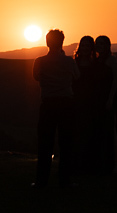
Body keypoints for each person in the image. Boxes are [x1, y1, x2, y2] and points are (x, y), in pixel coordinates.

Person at [33, 29, 81, 188]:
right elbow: (77, 76)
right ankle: (65, 180)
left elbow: (36, 77)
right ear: (62, 42)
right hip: (66, 104)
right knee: (66, 143)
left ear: (47, 42)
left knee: (45, 143)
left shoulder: (39, 61)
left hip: (48, 104)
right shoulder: (69, 62)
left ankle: (42, 181)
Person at [72, 35, 107, 175]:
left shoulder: (96, 65)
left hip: (92, 104)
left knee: (91, 134)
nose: (85, 48)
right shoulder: (74, 63)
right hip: (76, 103)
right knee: (77, 134)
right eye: (83, 46)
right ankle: (76, 166)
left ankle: (90, 166)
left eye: (88, 46)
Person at [96, 35, 117, 172]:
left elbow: (116, 80)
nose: (99, 46)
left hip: (111, 96)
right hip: (99, 97)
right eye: (97, 43)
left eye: (102, 43)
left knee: (114, 129)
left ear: (108, 45)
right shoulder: (97, 60)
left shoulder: (112, 60)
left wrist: (110, 99)